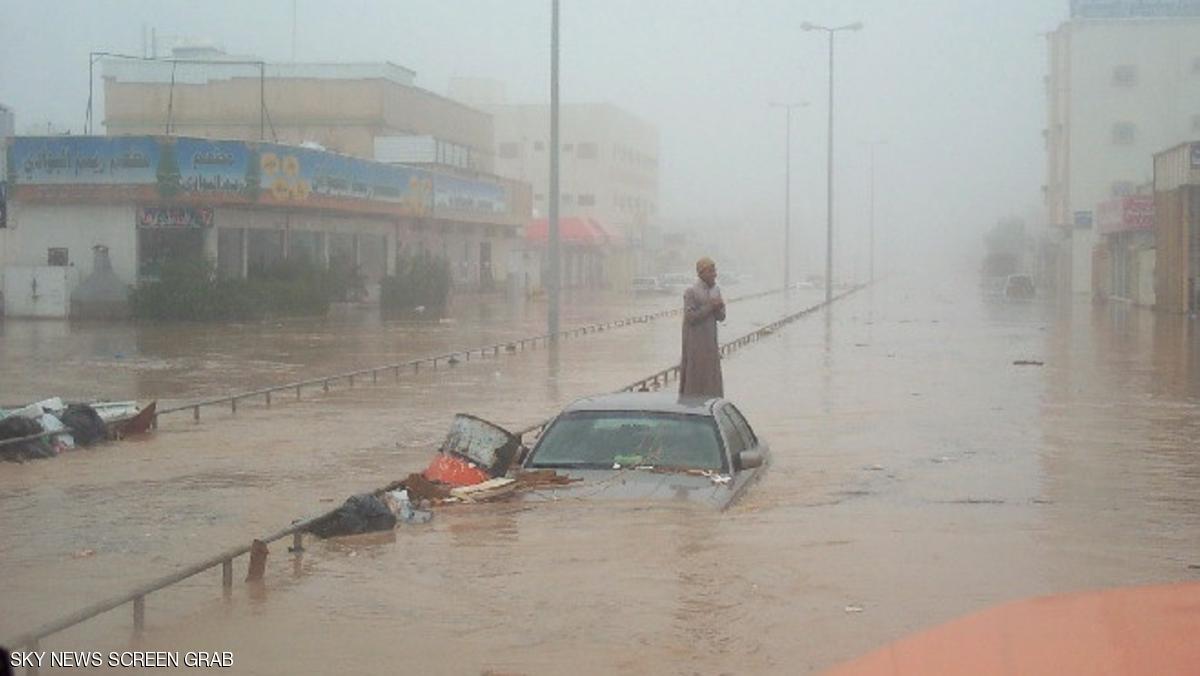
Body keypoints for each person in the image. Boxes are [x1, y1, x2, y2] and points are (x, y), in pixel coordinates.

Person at [679, 257, 725, 398]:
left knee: (712, 378)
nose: (714, 274)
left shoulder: (716, 290)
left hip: (711, 345)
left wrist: (718, 307)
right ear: (701, 273)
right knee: (695, 378)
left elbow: (721, 317)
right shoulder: (691, 292)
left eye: (714, 271)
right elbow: (690, 317)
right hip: (695, 345)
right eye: (711, 271)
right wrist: (711, 306)